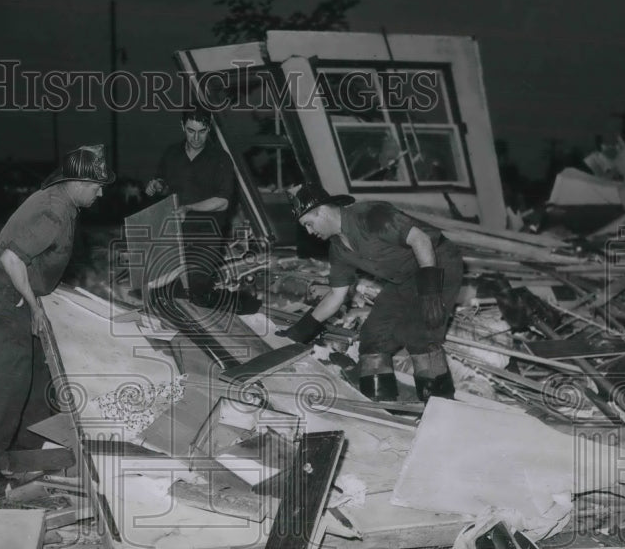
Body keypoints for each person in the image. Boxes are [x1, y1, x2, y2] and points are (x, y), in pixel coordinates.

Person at [0, 144, 114, 478]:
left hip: (23, 291)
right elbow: (11, 258)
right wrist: (34, 305)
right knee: (15, 375)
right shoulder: (53, 211)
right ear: (77, 182)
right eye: (96, 187)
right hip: (10, 295)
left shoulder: (63, 201)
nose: (100, 195)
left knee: (41, 371)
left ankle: (25, 451)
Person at [276, 183, 463, 401]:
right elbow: (336, 296)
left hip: (438, 264)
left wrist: (430, 292)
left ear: (324, 210)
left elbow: (420, 240)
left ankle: (439, 404)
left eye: (309, 223)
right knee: (373, 336)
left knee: (419, 336)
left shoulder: (373, 215)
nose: (309, 231)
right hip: (403, 279)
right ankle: (380, 403)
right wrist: (297, 334)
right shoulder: (338, 248)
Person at [145, 105, 236, 307]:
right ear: (182, 126)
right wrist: (157, 185)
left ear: (209, 128)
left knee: (195, 290)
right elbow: (165, 184)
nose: (196, 138)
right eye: (191, 131)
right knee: (165, 292)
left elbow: (223, 202)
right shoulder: (171, 154)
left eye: (202, 131)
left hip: (205, 238)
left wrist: (189, 208)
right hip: (174, 236)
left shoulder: (221, 159)